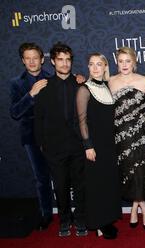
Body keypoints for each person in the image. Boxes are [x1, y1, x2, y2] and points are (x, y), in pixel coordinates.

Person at [34, 42, 87, 237]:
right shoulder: (44, 87)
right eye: (60, 60)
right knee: (61, 186)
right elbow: (38, 118)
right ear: (53, 62)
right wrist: (42, 144)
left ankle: (80, 218)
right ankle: (64, 220)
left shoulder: (81, 84)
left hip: (78, 146)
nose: (64, 64)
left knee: (80, 185)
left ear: (71, 62)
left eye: (67, 60)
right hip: (54, 148)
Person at [109, 47, 145, 231]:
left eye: (127, 61)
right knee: (129, 172)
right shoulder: (110, 82)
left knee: (142, 172)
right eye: (121, 61)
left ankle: (136, 210)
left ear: (134, 62)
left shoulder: (144, 81)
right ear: (116, 62)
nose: (124, 65)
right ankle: (142, 209)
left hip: (143, 134)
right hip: (121, 136)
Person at [76, 53, 122, 239]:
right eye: (91, 64)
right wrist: (88, 145)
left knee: (108, 183)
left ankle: (108, 219)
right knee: (96, 185)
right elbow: (82, 121)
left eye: (99, 64)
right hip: (94, 146)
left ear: (105, 67)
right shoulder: (84, 90)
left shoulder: (107, 87)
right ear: (88, 67)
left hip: (110, 144)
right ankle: (99, 223)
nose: (95, 68)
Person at [9, 43, 53, 230]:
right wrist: (31, 94)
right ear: (23, 61)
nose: (32, 61)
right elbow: (15, 112)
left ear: (42, 59)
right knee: (41, 178)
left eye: (36, 57)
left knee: (60, 176)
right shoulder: (16, 83)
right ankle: (46, 214)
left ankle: (68, 214)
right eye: (28, 58)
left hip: (53, 135)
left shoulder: (52, 78)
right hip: (31, 137)